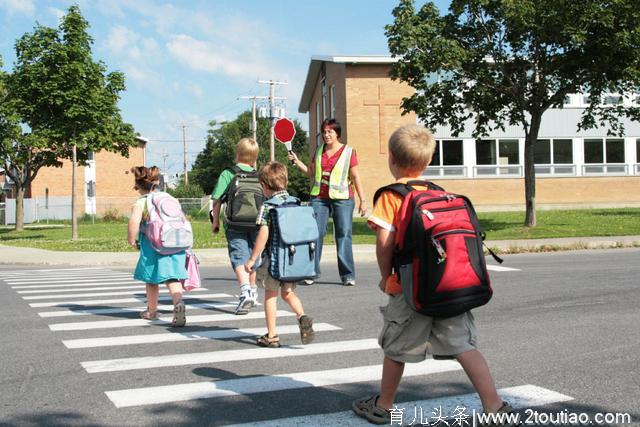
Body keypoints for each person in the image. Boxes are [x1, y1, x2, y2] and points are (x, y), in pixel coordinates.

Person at [352, 124, 514, 425]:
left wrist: (386, 276)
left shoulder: (390, 197)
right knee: (465, 346)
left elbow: (384, 243)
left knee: (396, 347)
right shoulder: (440, 193)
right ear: (427, 162)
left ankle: (384, 405)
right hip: (448, 286)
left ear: (391, 158)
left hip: (409, 288)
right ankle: (494, 404)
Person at [244, 161, 314, 348]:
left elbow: (263, 234)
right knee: (288, 293)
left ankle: (272, 335)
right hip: (292, 259)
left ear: (265, 186)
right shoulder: (296, 202)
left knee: (271, 295)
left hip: (273, 261)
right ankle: (302, 316)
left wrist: (252, 258)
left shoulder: (268, 206)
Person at [288, 118, 366, 286]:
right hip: (319, 198)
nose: (326, 134)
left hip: (343, 199)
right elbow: (310, 173)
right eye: (324, 132)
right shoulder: (318, 151)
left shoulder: (348, 152)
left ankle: (348, 275)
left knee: (343, 234)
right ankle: (311, 272)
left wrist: (363, 200)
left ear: (337, 133)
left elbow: (355, 176)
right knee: (315, 234)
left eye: (330, 131)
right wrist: (297, 161)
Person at [128, 166, 187, 327]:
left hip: (152, 244)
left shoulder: (141, 202)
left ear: (138, 186)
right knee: (172, 278)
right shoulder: (169, 197)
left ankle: (152, 311)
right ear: (157, 183)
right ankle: (178, 303)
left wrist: (131, 239)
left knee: (151, 279)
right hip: (174, 244)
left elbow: (134, 221)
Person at [210, 138, 261, 315]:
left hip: (234, 223)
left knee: (239, 256)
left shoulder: (228, 173)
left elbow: (216, 199)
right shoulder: (259, 175)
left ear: (237, 154)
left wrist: (215, 222)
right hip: (257, 223)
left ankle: (245, 290)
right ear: (255, 158)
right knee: (253, 256)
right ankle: (253, 291)